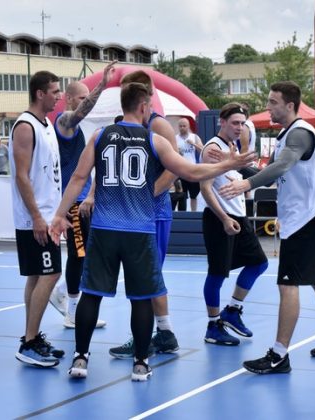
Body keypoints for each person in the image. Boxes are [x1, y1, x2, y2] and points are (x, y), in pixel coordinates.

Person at [49, 82, 256, 381]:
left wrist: (59, 215)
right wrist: (228, 164)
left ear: (123, 105)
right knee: (142, 298)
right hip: (139, 230)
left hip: (105, 228)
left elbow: (79, 178)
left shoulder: (98, 136)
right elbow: (191, 172)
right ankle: (141, 363)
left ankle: (80, 359)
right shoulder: (155, 140)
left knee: (91, 295)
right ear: (145, 107)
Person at [219, 81, 315, 374]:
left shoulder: (301, 135)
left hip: (302, 219)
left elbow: (281, 166)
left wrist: (246, 183)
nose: (268, 107)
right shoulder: (287, 135)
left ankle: (279, 355)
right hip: (301, 217)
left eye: (272, 102)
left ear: (290, 105)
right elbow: (271, 175)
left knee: (287, 283)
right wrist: (233, 165)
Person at [108, 71, 180, 359]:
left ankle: (147, 337)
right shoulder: (126, 125)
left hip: (154, 213)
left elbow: (174, 169)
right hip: (135, 214)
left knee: (145, 277)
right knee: (148, 275)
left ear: (147, 94)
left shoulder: (158, 125)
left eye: (132, 91)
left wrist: (146, 196)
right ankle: (164, 332)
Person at [48, 61, 116, 329]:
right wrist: (102, 85)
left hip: (86, 198)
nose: (86, 104)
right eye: (81, 98)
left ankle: (63, 291)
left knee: (91, 253)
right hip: (73, 201)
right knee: (79, 255)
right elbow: (78, 113)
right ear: (68, 99)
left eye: (87, 99)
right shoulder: (63, 122)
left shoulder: (80, 130)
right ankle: (72, 312)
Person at [200, 102, 268, 346]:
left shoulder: (232, 148)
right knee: (217, 273)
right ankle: (213, 326)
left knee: (259, 264)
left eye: (243, 123)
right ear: (222, 122)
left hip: (238, 217)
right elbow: (205, 188)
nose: (240, 127)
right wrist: (224, 218)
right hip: (220, 219)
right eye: (235, 123)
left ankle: (232, 310)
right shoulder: (212, 149)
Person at [9, 70, 64, 368]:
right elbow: (21, 176)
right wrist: (38, 218)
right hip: (35, 219)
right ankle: (29, 343)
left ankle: (31, 337)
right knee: (51, 274)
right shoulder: (25, 126)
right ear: (40, 93)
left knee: (36, 275)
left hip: (46, 216)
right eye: (54, 91)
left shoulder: (47, 125)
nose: (58, 96)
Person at [176, 117, 204, 211]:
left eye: (184, 126)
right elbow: (170, 153)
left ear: (188, 126)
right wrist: (177, 152)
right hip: (180, 170)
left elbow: (203, 151)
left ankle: (193, 213)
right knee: (181, 195)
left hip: (192, 169)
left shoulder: (194, 137)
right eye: (180, 126)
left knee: (193, 195)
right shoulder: (175, 138)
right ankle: (181, 214)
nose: (182, 128)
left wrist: (193, 144)